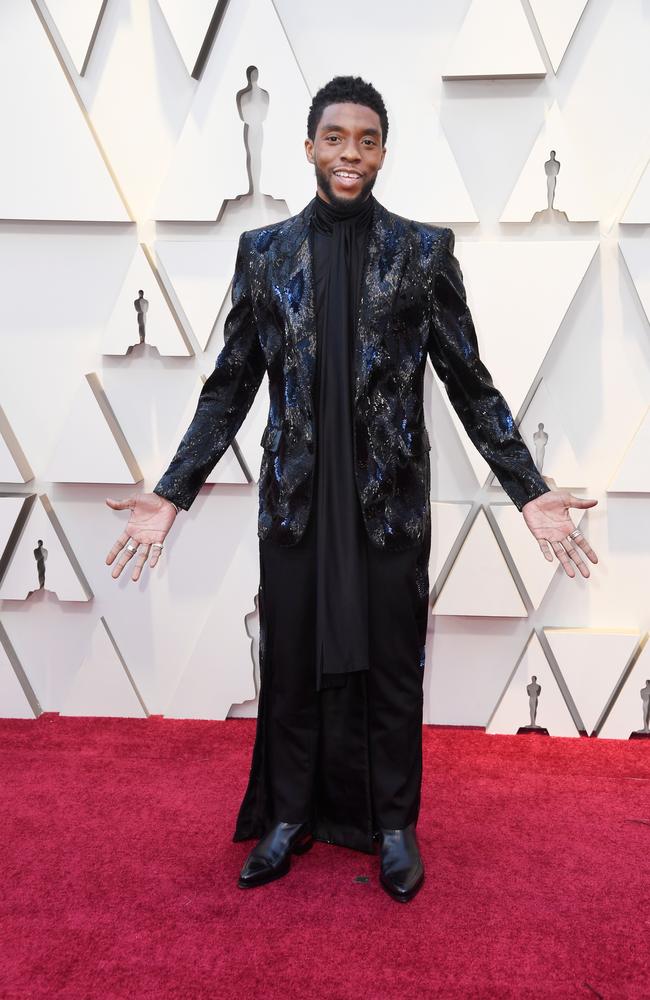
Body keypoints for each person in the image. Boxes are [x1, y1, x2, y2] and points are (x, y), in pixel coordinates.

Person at [105, 76, 599, 904]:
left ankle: (395, 824)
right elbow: (229, 386)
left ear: (382, 152)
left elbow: (470, 384)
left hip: (387, 503)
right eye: (335, 138)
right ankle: (289, 818)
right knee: (292, 661)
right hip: (298, 503)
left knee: (395, 668)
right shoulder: (263, 255)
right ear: (308, 147)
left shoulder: (422, 252)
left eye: (367, 140)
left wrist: (528, 490)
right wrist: (171, 492)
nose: (351, 154)